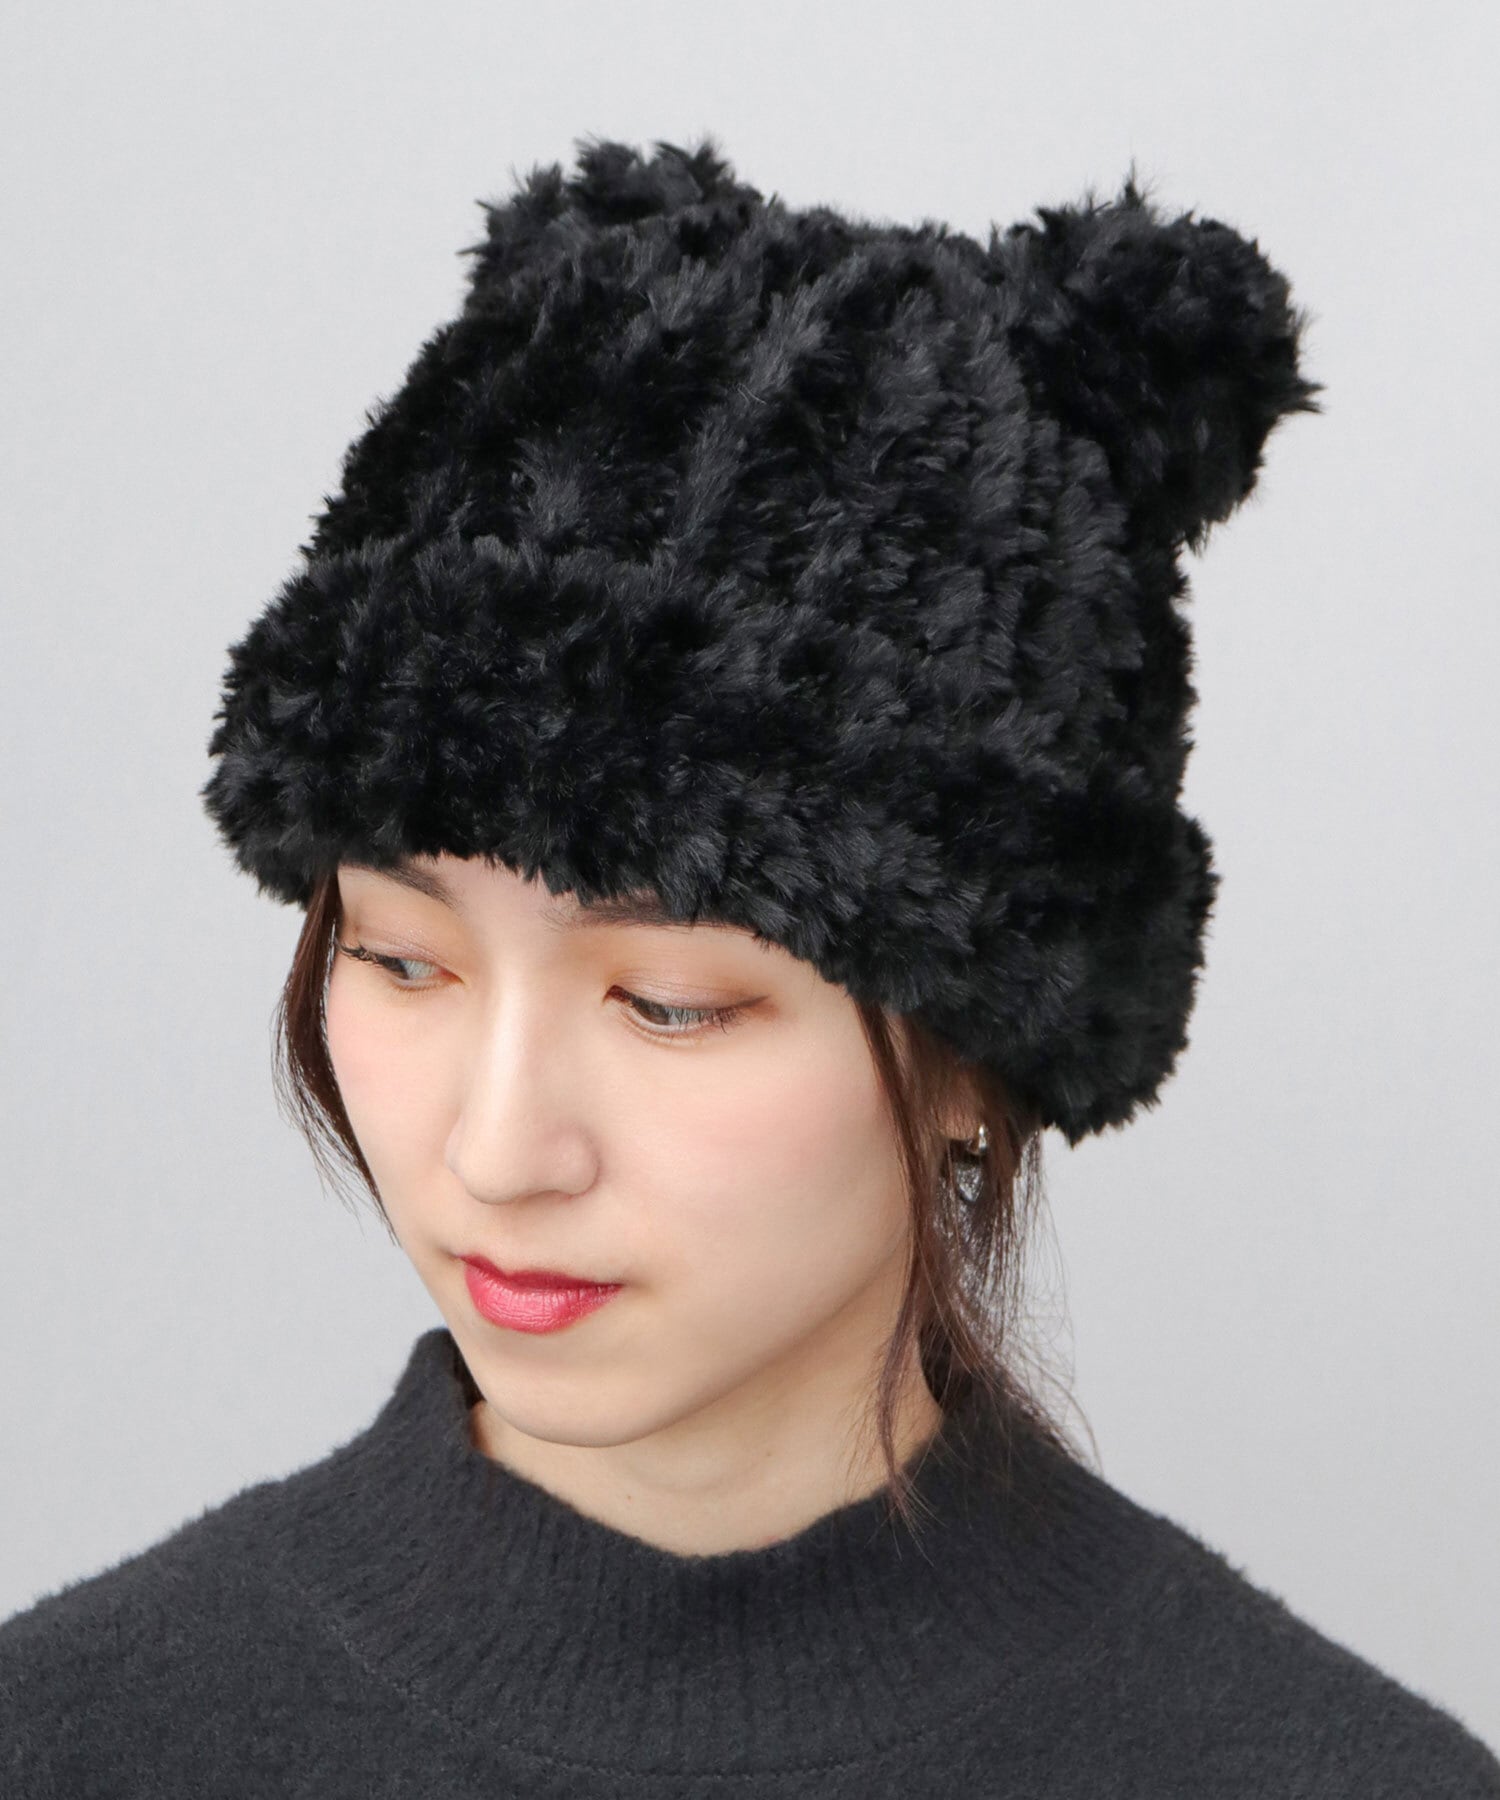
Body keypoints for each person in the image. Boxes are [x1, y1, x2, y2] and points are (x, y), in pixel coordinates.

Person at [1, 132, 1495, 1797]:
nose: (496, 1152)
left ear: (975, 1056)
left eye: (671, 1004)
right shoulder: (73, 1742)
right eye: (403, 961)